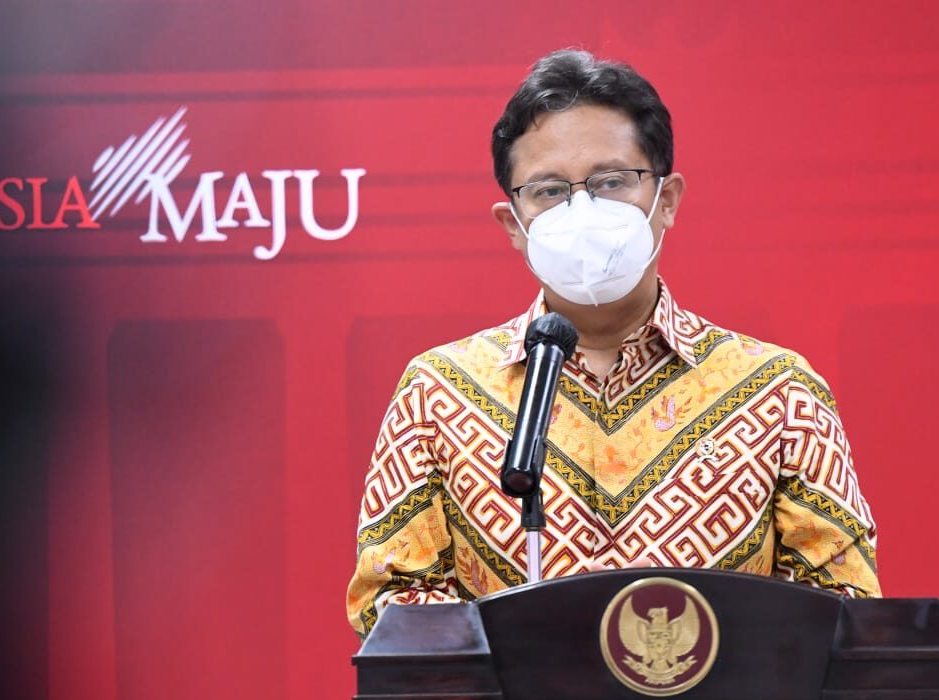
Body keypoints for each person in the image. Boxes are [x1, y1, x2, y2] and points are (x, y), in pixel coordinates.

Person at [345, 49, 880, 637]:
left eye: (611, 182)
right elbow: (390, 609)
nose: (582, 209)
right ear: (513, 225)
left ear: (666, 200)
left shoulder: (778, 392)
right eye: (549, 190)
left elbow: (843, 604)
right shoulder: (437, 393)